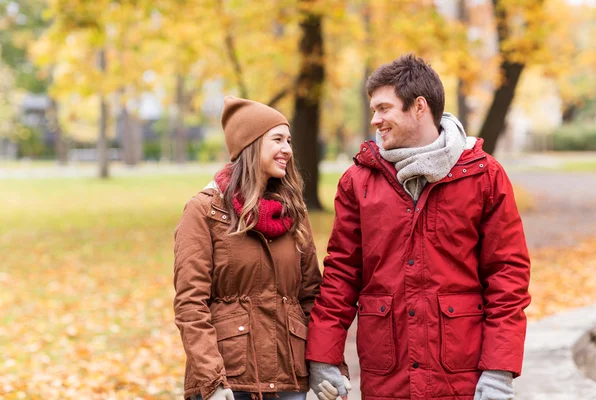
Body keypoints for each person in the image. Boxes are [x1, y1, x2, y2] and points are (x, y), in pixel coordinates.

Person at [305, 54, 531, 400]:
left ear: (419, 107)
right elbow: (342, 274)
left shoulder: (484, 176)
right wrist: (324, 358)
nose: (375, 120)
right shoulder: (358, 180)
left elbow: (507, 276)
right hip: (387, 373)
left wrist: (499, 371)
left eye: (384, 108)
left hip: (460, 374)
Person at [173, 96, 322, 400]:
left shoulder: (295, 213)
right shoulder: (204, 211)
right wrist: (211, 379)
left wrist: (325, 364)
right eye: (277, 139)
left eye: (289, 141)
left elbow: (311, 297)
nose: (288, 150)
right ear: (250, 145)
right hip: (230, 380)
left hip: (288, 379)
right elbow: (190, 303)